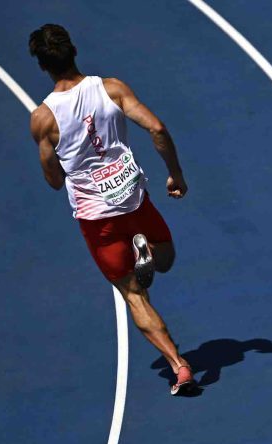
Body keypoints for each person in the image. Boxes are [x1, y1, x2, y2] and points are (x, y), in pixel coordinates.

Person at [28, 24, 198, 394]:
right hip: (133, 198)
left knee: (133, 294)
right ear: (74, 51)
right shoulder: (112, 88)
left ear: (42, 66)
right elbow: (156, 127)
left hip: (97, 219)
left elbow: (55, 181)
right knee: (165, 261)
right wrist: (176, 174)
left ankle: (179, 365)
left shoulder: (44, 118)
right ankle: (147, 250)